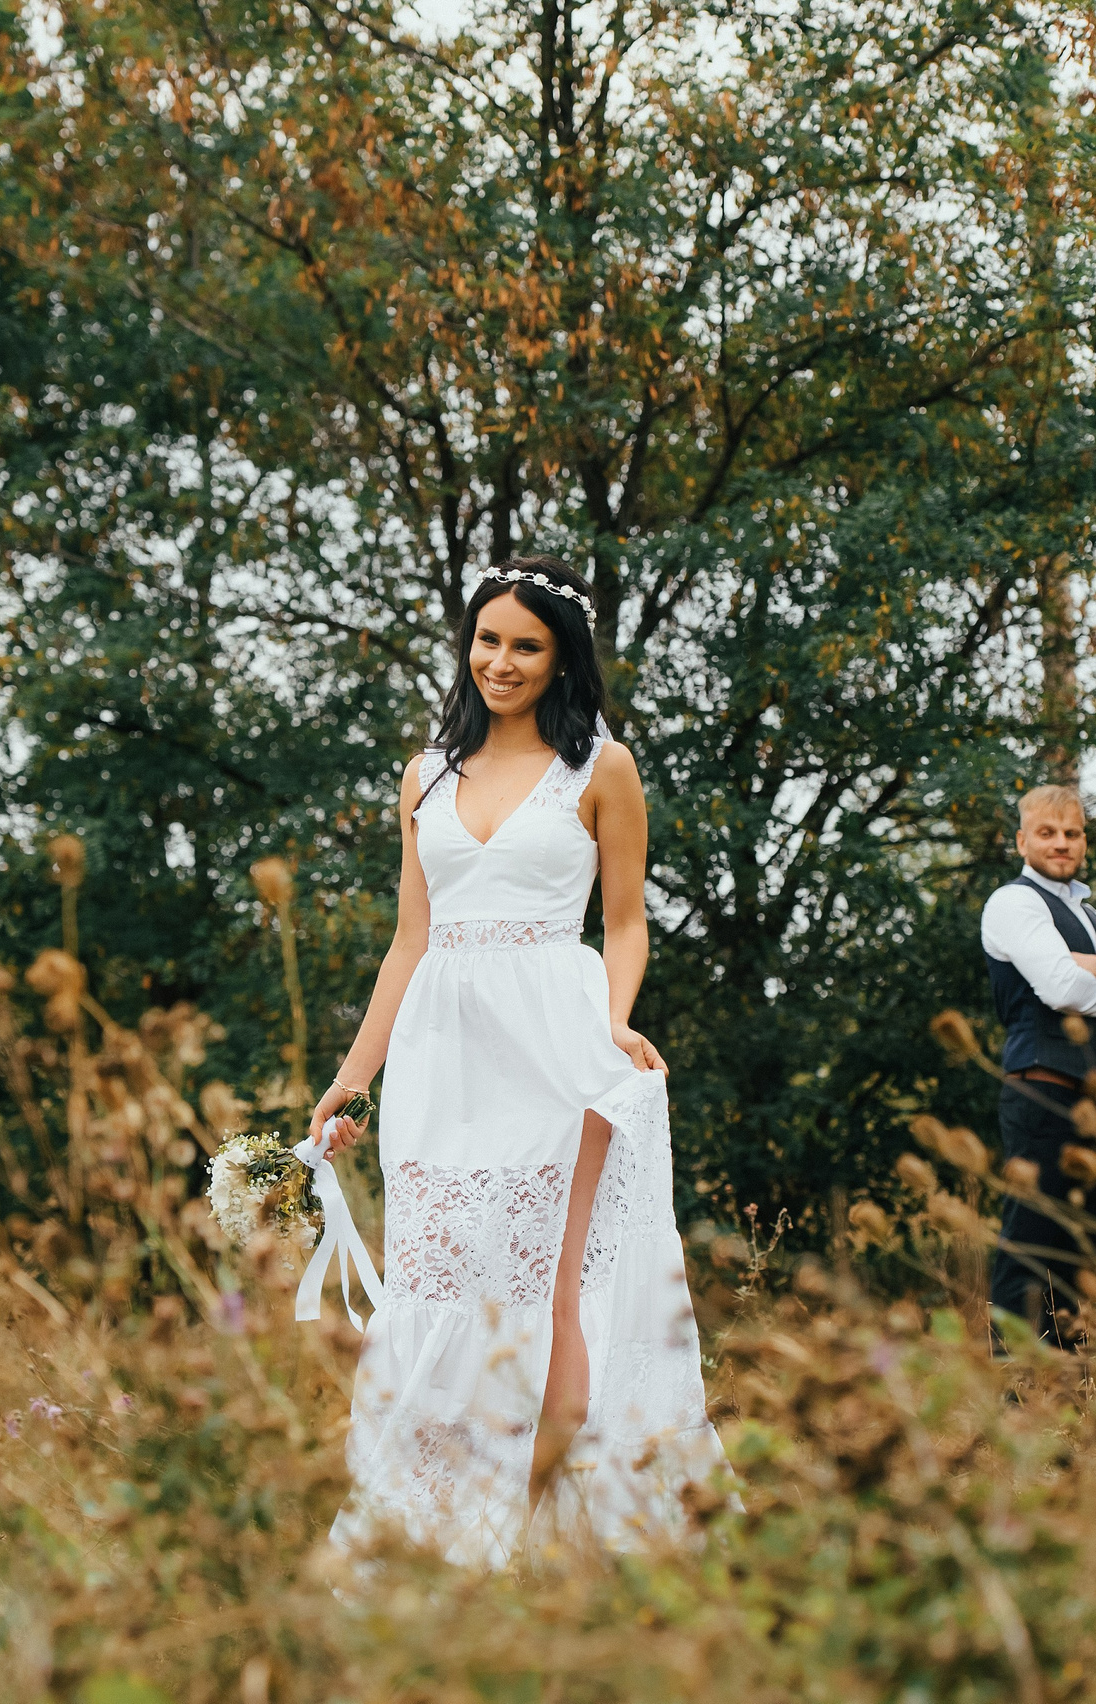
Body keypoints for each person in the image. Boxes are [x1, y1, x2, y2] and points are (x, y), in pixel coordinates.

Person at [306, 554, 720, 1568]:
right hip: (443, 1062)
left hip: (556, 1046)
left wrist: (615, 1023)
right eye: (488, 640)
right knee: (440, 1282)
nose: (501, 661)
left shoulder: (601, 769)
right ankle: (438, 1529)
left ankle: (559, 1531)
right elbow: (410, 940)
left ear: (560, 658)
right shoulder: (425, 775)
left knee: (555, 1288)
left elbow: (625, 924)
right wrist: (355, 1078)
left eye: (525, 645)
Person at [980, 783, 1096, 1350]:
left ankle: (1065, 1379)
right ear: (1022, 840)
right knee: (1029, 1237)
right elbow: (1063, 990)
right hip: (1039, 1093)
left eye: (1072, 833)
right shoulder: (1014, 902)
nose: (1062, 843)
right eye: (1047, 833)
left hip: (1087, 1105)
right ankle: (1016, 1388)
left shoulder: (1087, 912)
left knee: (1080, 1240)